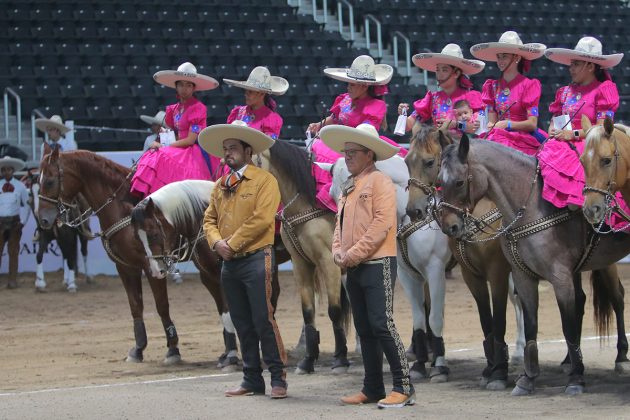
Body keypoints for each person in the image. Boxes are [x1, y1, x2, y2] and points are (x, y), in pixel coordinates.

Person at [321, 123, 415, 409]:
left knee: (381, 323)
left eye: (352, 152)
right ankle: (372, 387)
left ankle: (404, 387)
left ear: (368, 154)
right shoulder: (350, 186)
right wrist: (338, 250)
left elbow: (381, 225)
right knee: (364, 328)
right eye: (346, 152)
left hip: (378, 262)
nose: (346, 157)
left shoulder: (380, 181)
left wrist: (349, 255)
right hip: (357, 264)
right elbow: (337, 224)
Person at [200, 120, 287, 399]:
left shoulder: (265, 181)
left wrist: (230, 244)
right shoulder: (220, 185)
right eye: (225, 149)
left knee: (263, 318)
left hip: (255, 258)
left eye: (233, 148)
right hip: (231, 261)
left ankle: (277, 377)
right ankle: (251, 378)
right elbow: (208, 219)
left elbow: (262, 220)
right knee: (241, 320)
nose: (227, 153)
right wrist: (216, 243)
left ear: (248, 151)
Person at [306, 55, 403, 213]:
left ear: (364, 86)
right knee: (315, 146)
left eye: (351, 84)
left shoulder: (376, 106)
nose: (348, 88)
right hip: (341, 142)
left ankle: (333, 202)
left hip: (360, 147)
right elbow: (334, 118)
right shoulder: (344, 99)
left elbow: (364, 134)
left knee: (332, 158)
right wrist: (319, 125)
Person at [538, 37, 624, 212]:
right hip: (561, 142)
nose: (571, 68)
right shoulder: (565, 92)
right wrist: (552, 130)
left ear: (590, 66)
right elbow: (555, 119)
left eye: (576, 64)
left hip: (589, 143)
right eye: (571, 64)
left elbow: (601, 129)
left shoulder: (604, 90)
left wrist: (572, 135)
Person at [130, 62, 220, 197]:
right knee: (152, 152)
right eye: (181, 84)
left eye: (189, 85)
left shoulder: (198, 108)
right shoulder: (174, 109)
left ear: (194, 88)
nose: (184, 88)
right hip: (179, 147)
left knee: (160, 154)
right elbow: (174, 133)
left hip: (193, 150)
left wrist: (165, 145)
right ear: (176, 86)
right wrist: (163, 137)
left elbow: (190, 140)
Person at [470, 31, 547, 156]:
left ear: (517, 58)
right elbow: (492, 122)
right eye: (499, 56)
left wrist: (508, 124)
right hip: (498, 135)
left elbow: (532, 124)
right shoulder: (492, 87)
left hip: (522, 137)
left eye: (504, 56)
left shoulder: (529, 85)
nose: (500, 60)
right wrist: (486, 125)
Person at [399, 43, 485, 137]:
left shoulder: (471, 97)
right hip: (439, 147)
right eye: (437, 70)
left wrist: (455, 124)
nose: (439, 74)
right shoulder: (432, 98)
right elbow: (408, 126)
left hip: (464, 148)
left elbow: (478, 128)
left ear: (456, 73)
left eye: (444, 70)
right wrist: (402, 114)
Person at [0, 156, 29, 289]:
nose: (7, 172)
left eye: (9, 170)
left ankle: (12, 280)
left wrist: (23, 221)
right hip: (0, 221)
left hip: (14, 222)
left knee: (13, 251)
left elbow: (28, 204)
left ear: (13, 171)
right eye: (4, 170)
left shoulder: (20, 186)